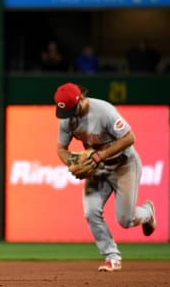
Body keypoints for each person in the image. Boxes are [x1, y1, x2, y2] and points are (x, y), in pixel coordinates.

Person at [54, 82, 156, 272]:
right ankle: (112, 257)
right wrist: (71, 162)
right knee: (91, 212)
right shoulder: (67, 119)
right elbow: (61, 149)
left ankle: (148, 213)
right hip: (97, 169)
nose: (67, 115)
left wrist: (100, 155)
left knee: (126, 220)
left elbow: (129, 138)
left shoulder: (104, 111)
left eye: (70, 109)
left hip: (124, 165)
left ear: (80, 100)